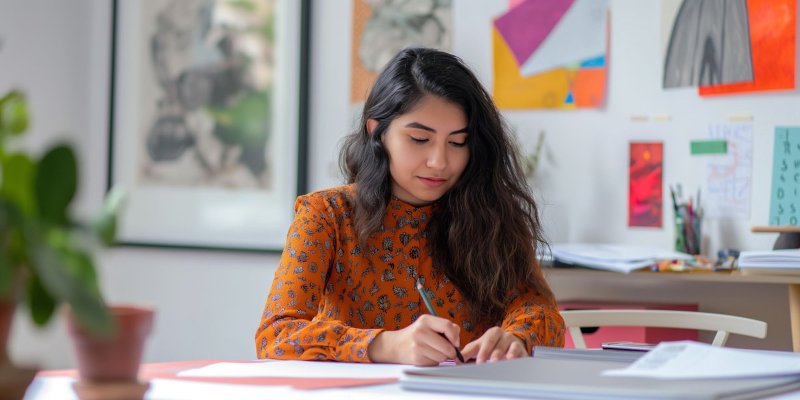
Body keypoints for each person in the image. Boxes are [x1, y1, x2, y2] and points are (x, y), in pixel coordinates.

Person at [255, 47, 564, 366]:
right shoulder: (327, 215)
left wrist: (516, 337)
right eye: (419, 139)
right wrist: (386, 345)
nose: (439, 162)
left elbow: (542, 313)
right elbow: (276, 335)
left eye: (458, 142)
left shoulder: (491, 214)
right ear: (377, 132)